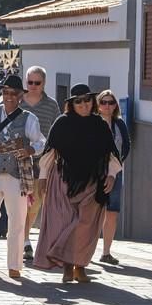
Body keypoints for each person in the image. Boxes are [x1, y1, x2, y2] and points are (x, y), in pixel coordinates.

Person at [33, 84, 121, 283]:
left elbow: (110, 153)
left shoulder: (100, 125)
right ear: (72, 104)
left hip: (93, 181)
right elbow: (50, 151)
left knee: (86, 225)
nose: (83, 104)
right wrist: (43, 178)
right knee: (65, 222)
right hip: (63, 180)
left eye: (87, 100)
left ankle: (79, 265)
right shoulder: (62, 123)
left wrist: (112, 175)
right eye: (78, 101)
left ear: (92, 102)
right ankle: (67, 266)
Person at [0, 75, 46, 279]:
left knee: (17, 221)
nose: (9, 97)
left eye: (13, 94)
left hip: (16, 175)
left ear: (20, 96)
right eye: (6, 92)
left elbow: (41, 142)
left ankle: (14, 264)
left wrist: (30, 150)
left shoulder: (29, 119)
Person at [20, 66, 61, 260]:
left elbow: (57, 131)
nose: (33, 86)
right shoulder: (18, 102)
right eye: (30, 82)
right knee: (19, 202)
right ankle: (24, 240)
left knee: (34, 203)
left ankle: (24, 238)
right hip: (18, 161)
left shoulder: (51, 106)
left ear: (44, 84)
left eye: (37, 83)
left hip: (41, 161)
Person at [97, 90, 130, 265]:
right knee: (94, 212)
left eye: (111, 102)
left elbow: (126, 146)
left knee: (112, 212)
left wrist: (116, 166)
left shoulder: (120, 124)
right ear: (98, 104)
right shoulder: (94, 123)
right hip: (95, 174)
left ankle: (106, 252)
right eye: (103, 102)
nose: (107, 106)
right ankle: (86, 250)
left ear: (115, 105)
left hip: (116, 172)